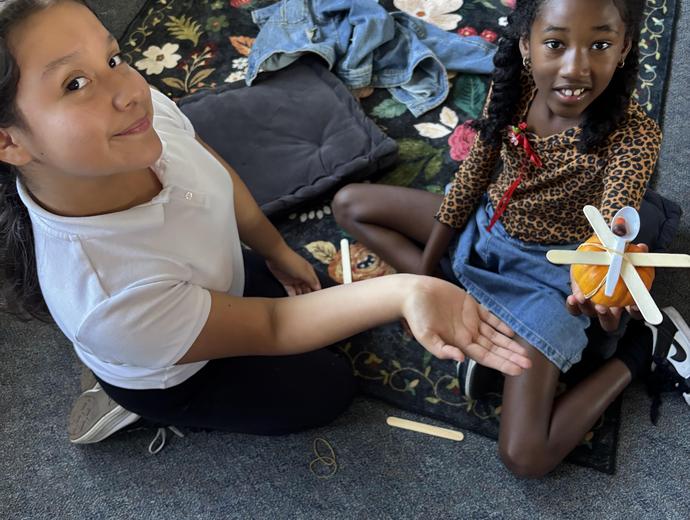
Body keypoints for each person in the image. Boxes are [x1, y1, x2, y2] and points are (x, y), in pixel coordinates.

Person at [0, 0, 532, 446]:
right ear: (8, 141)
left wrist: (274, 248)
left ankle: (158, 342)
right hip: (173, 369)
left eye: (113, 57)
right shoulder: (111, 297)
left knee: (321, 307)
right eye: (74, 83)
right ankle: (134, 399)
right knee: (329, 389)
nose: (129, 89)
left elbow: (209, 170)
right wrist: (403, 291)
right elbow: (275, 329)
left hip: (199, 287)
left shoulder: (138, 118)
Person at [333, 0, 688, 477]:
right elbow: (472, 178)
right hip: (486, 227)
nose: (575, 68)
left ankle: (644, 349)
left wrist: (603, 282)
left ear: (624, 48)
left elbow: (615, 217)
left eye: (600, 44)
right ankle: (461, 298)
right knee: (350, 204)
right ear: (526, 45)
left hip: (550, 273)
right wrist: (419, 281)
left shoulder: (633, 136)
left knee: (525, 456)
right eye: (555, 44)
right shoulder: (513, 90)